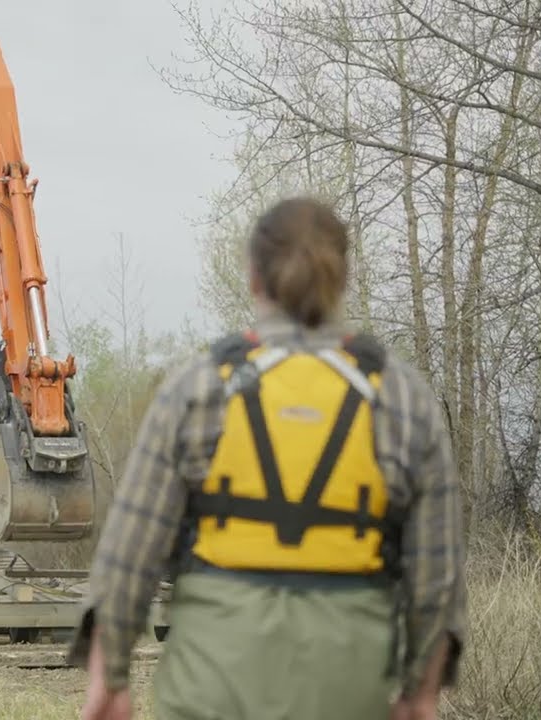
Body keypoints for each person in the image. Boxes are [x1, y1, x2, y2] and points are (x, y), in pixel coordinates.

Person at [70, 196, 467, 719]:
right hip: (346, 689)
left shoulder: (199, 387)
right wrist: (421, 693)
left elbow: (129, 554)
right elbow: (435, 579)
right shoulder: (402, 397)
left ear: (254, 278)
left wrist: (109, 678)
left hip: (209, 687)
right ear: (342, 278)